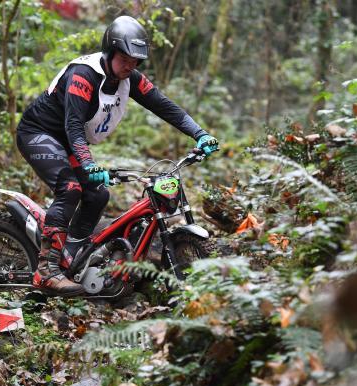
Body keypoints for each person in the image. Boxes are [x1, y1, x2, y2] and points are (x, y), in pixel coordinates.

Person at [16, 15, 220, 296]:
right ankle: (46, 272)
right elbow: (73, 125)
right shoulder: (83, 75)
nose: (130, 66)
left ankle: (71, 254)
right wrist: (88, 163)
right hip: (39, 133)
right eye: (124, 58)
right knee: (71, 187)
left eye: (135, 61)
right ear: (110, 52)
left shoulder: (129, 78)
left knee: (98, 194)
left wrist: (200, 134)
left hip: (66, 140)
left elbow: (164, 106)